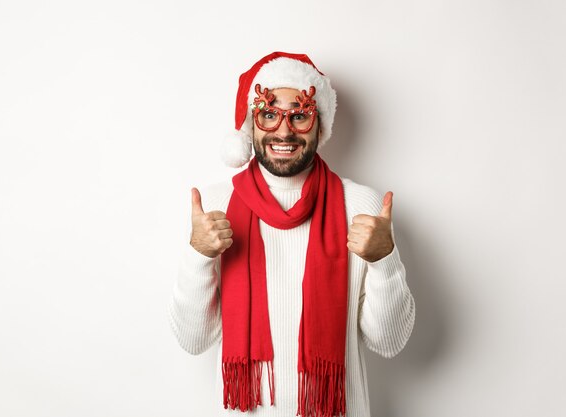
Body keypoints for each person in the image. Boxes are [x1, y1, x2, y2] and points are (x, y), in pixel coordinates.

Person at [168, 51, 415, 417]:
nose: (283, 131)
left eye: (300, 115)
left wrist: (385, 261)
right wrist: (198, 255)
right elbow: (193, 341)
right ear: (250, 125)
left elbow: (389, 341)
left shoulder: (360, 204)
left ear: (320, 126)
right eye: (269, 114)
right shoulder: (216, 205)